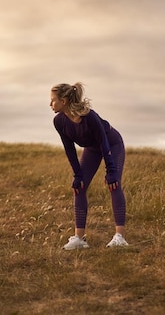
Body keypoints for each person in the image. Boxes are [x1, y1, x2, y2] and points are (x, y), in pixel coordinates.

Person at [50, 82, 129, 250]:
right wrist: (77, 175)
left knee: (114, 184)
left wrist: (111, 171)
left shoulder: (89, 117)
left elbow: (104, 142)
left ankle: (119, 237)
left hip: (112, 144)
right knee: (79, 187)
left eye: (53, 100)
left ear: (63, 101)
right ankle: (79, 238)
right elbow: (69, 149)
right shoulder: (59, 121)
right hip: (91, 149)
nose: (50, 104)